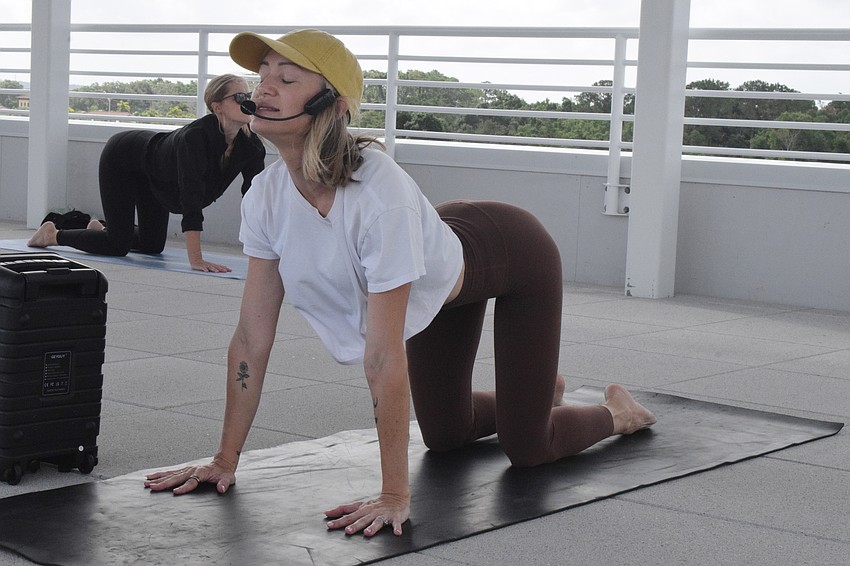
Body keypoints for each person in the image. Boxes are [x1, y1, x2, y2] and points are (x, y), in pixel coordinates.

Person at [143, 29, 656, 536]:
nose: (264, 89)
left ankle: (617, 412)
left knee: (529, 447)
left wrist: (394, 496)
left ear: (332, 105)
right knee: (446, 436)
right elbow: (251, 337)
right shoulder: (266, 196)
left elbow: (384, 356)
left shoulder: (377, 190)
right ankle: (539, 392)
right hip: (433, 268)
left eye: (288, 79)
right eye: (262, 76)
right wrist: (224, 460)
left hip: (512, 253)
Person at [27, 74, 266, 273]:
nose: (247, 101)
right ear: (217, 106)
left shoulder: (252, 146)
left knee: (152, 245)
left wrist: (267, 252)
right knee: (117, 245)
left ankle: (99, 229)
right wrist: (196, 259)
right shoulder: (195, 139)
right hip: (123, 157)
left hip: (156, 175)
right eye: (239, 97)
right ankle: (53, 234)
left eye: (248, 95)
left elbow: (255, 198)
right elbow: (191, 199)